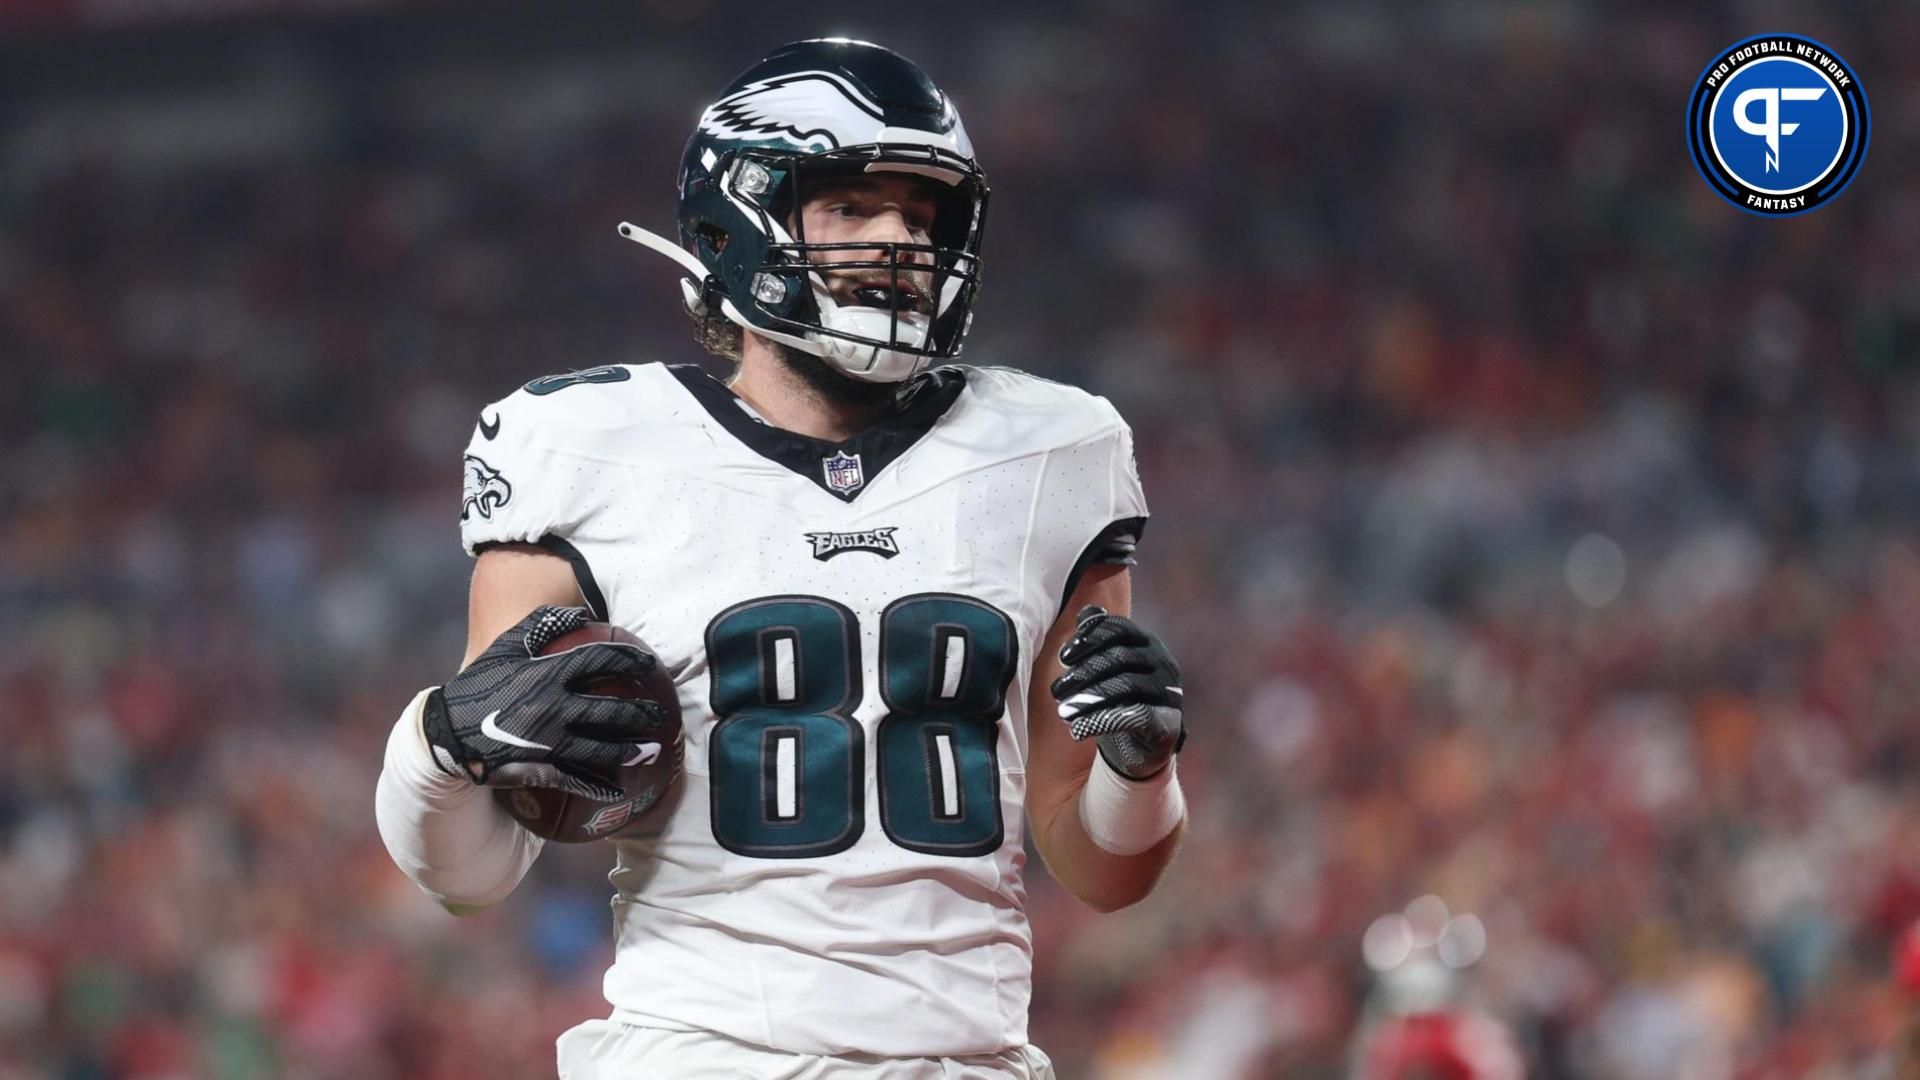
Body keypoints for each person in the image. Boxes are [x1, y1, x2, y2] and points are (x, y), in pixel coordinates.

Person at [375, 38, 1188, 1078]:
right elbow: (471, 873)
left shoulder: (1054, 452)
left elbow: (1104, 866)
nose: (900, 237)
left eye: (921, 211)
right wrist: (442, 740)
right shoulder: (585, 447)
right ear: (738, 221)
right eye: (851, 206)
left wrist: (1141, 768)